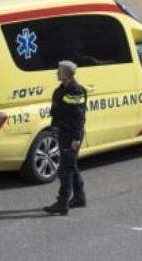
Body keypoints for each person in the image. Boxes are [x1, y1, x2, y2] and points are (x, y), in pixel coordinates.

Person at [44, 60, 87, 215]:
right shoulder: (62, 89)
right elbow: (58, 111)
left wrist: (76, 137)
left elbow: (78, 116)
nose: (57, 73)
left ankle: (62, 203)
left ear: (66, 74)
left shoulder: (75, 91)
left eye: (59, 71)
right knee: (71, 166)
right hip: (63, 132)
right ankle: (79, 197)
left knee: (65, 170)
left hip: (71, 135)